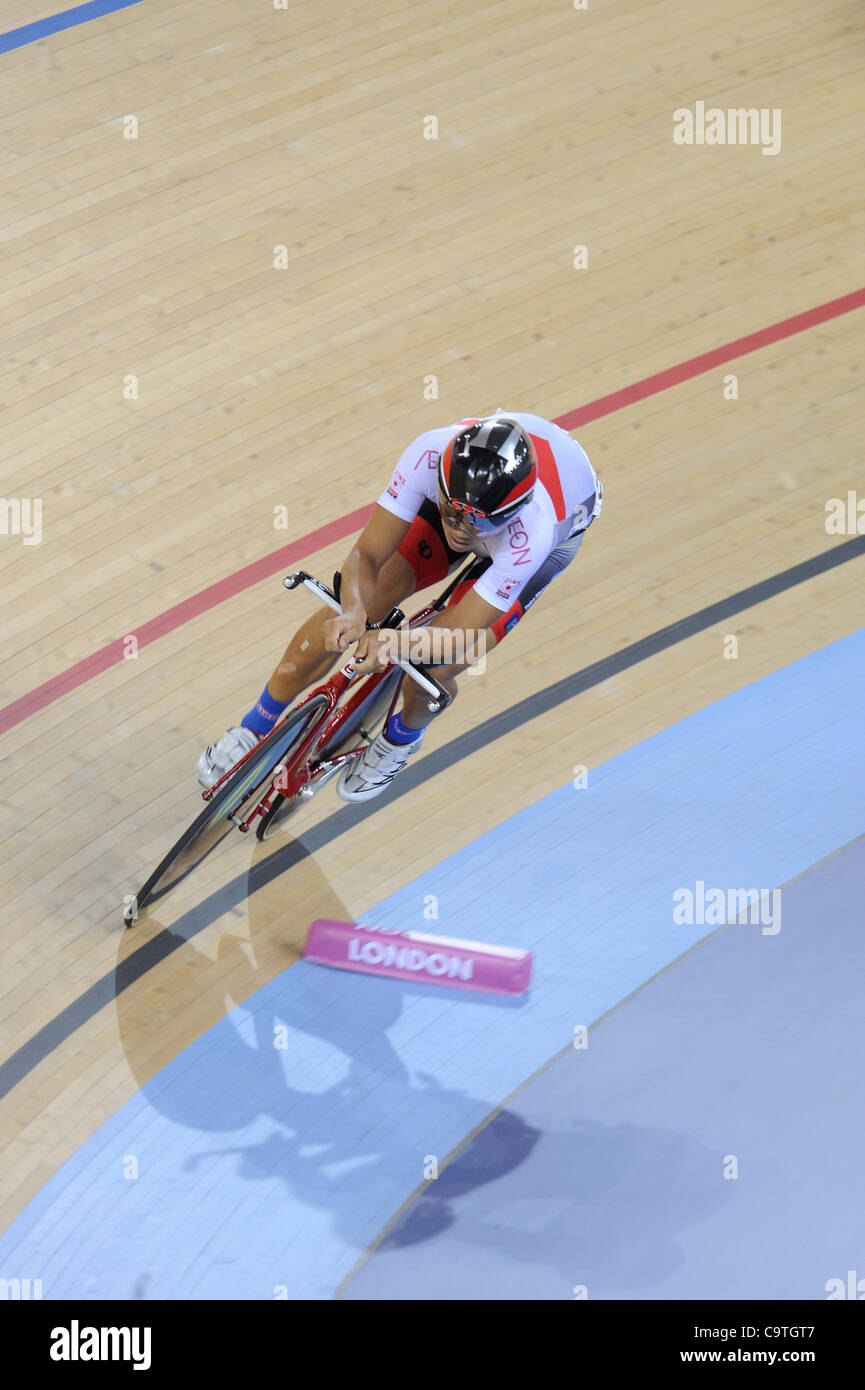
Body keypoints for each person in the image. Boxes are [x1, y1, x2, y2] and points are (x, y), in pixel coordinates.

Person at [197, 411, 602, 801]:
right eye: (451, 514)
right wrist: (354, 610)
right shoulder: (428, 455)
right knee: (369, 596)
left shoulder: (533, 531)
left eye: (476, 525)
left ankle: (400, 739)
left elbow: (460, 633)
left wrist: (395, 644)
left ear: (511, 515)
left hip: (548, 536)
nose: (461, 532)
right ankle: (255, 726)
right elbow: (367, 555)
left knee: (437, 666)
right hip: (482, 503)